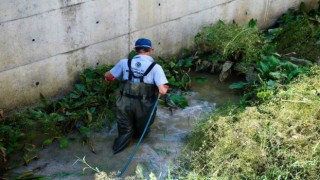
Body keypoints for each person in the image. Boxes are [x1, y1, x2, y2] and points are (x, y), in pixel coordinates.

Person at [104, 38, 169, 154]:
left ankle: (116, 151)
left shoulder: (124, 63)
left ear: (135, 50)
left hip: (124, 102)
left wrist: (109, 78)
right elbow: (162, 91)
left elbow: (108, 76)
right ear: (151, 49)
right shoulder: (156, 67)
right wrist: (165, 88)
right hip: (145, 105)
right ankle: (140, 148)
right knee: (142, 130)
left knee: (125, 130)